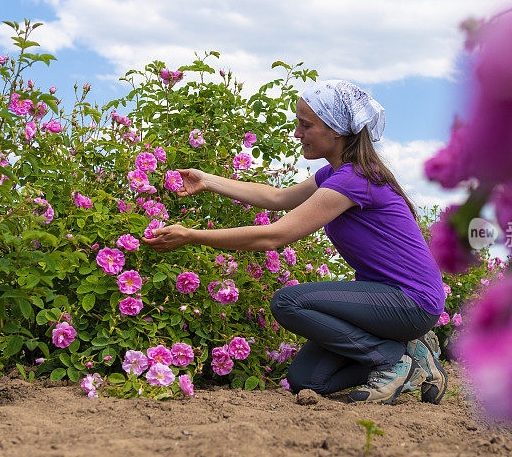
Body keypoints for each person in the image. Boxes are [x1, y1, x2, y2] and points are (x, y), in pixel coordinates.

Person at [143, 80, 447, 404]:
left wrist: (191, 236)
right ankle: (411, 351)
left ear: (336, 130)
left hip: (410, 299)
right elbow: (276, 197)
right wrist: (207, 180)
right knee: (306, 380)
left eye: (306, 124)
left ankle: (392, 360)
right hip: (387, 300)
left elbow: (274, 235)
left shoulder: (355, 178)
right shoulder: (334, 175)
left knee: (288, 302)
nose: (297, 133)